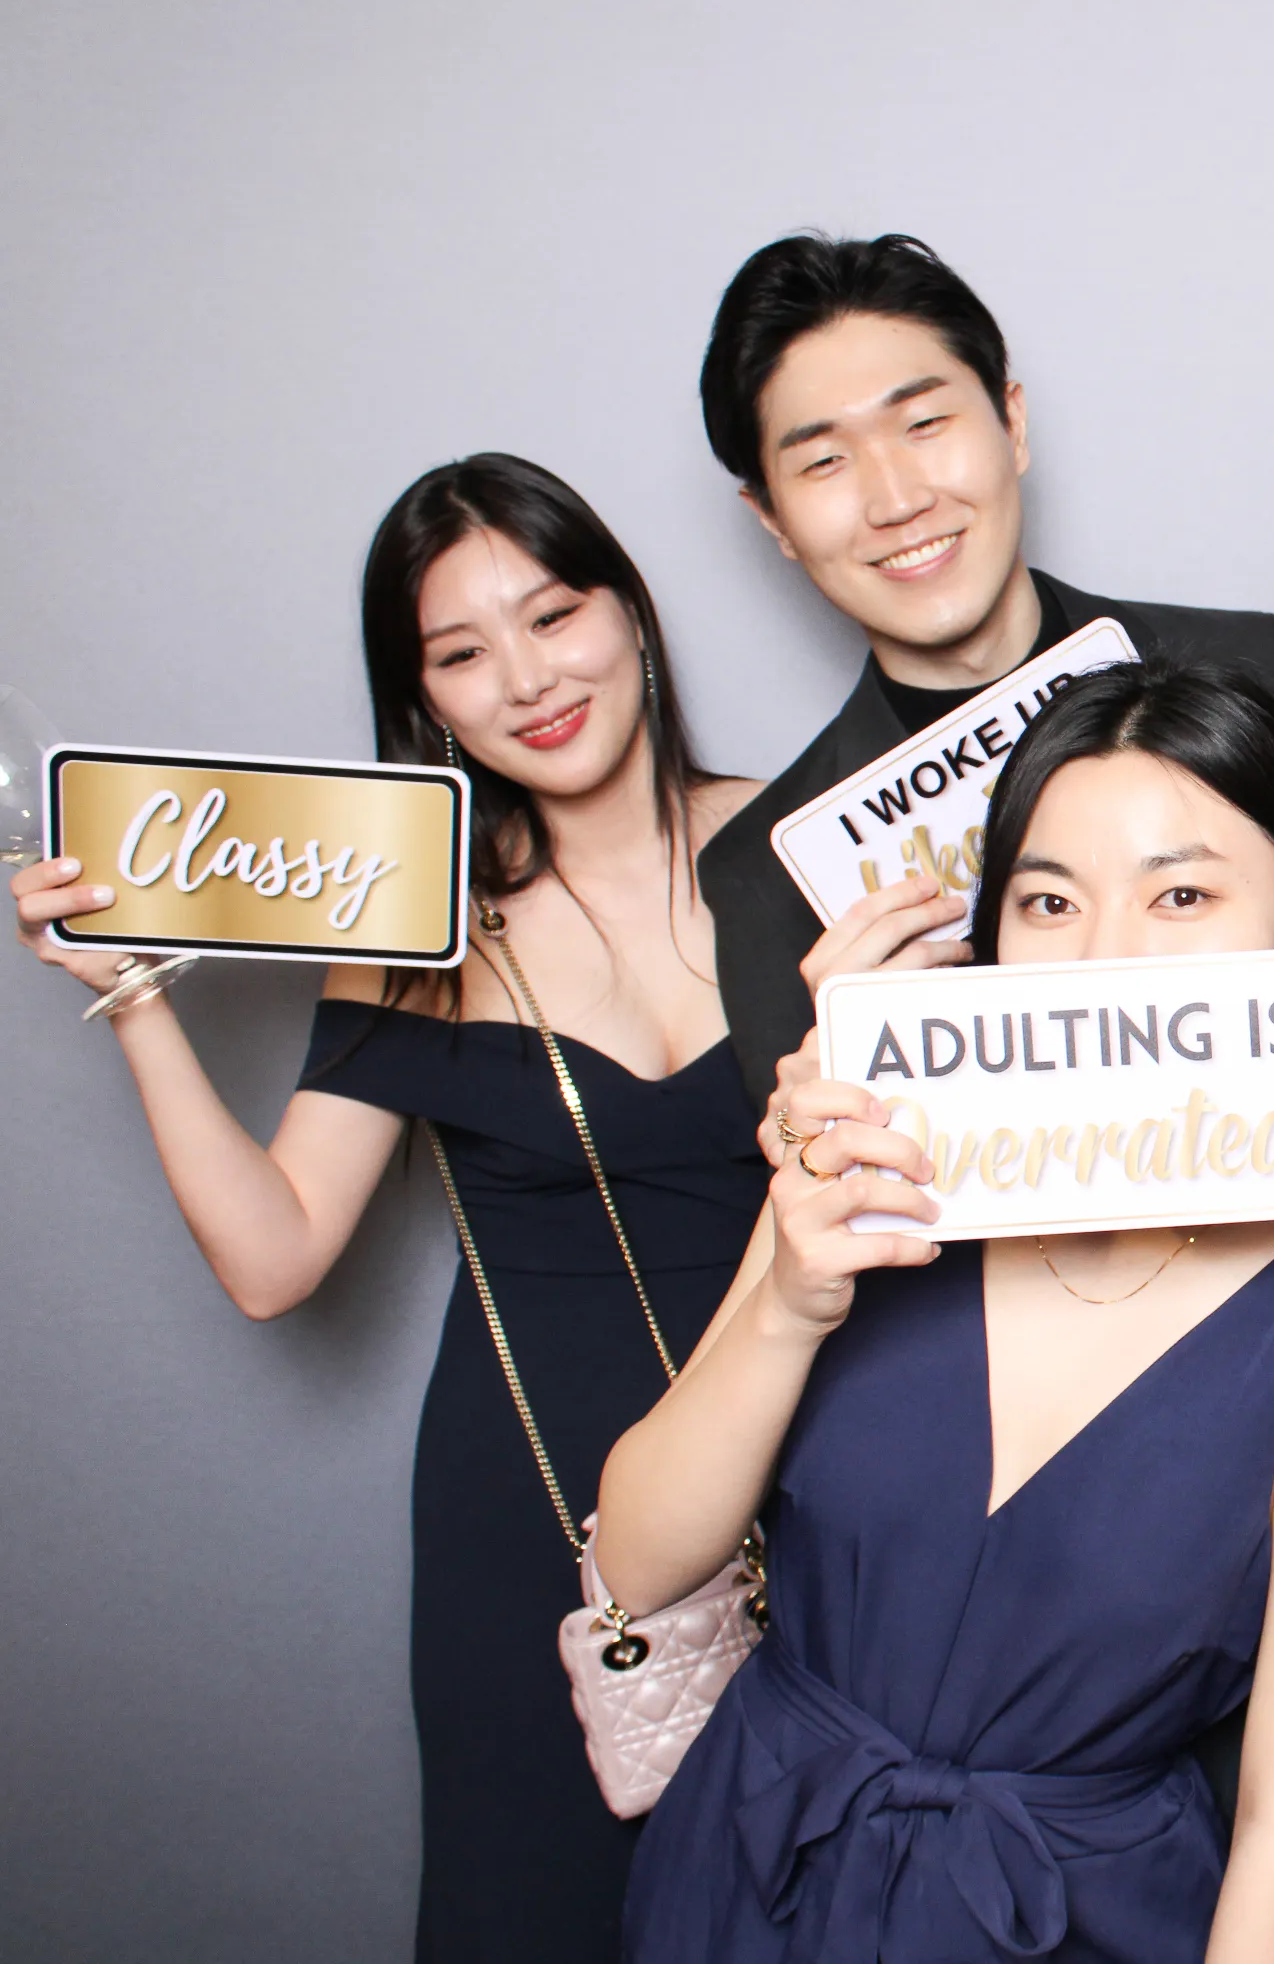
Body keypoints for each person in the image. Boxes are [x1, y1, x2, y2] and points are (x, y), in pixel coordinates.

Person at [10, 453, 769, 1960]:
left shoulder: (803, 850)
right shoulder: (408, 926)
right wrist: (144, 1009)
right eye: (461, 653)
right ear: (423, 700)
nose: (528, 679)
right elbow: (277, 1255)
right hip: (540, 1525)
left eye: (554, 615)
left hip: (828, 1485)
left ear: (630, 615)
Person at [602, 660, 1274, 1963]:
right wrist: (789, 1299)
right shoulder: (875, 1174)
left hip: (1071, 1919)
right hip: (748, 1875)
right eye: (1050, 899)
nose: (1107, 955)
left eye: (1182, 894)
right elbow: (642, 1568)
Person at [691, 232, 1274, 1104]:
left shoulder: (1245, 664)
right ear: (772, 517)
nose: (897, 499)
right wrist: (864, 1066)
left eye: (925, 424)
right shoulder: (765, 872)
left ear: (1011, 423)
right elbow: (820, 1182)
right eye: (824, 461)